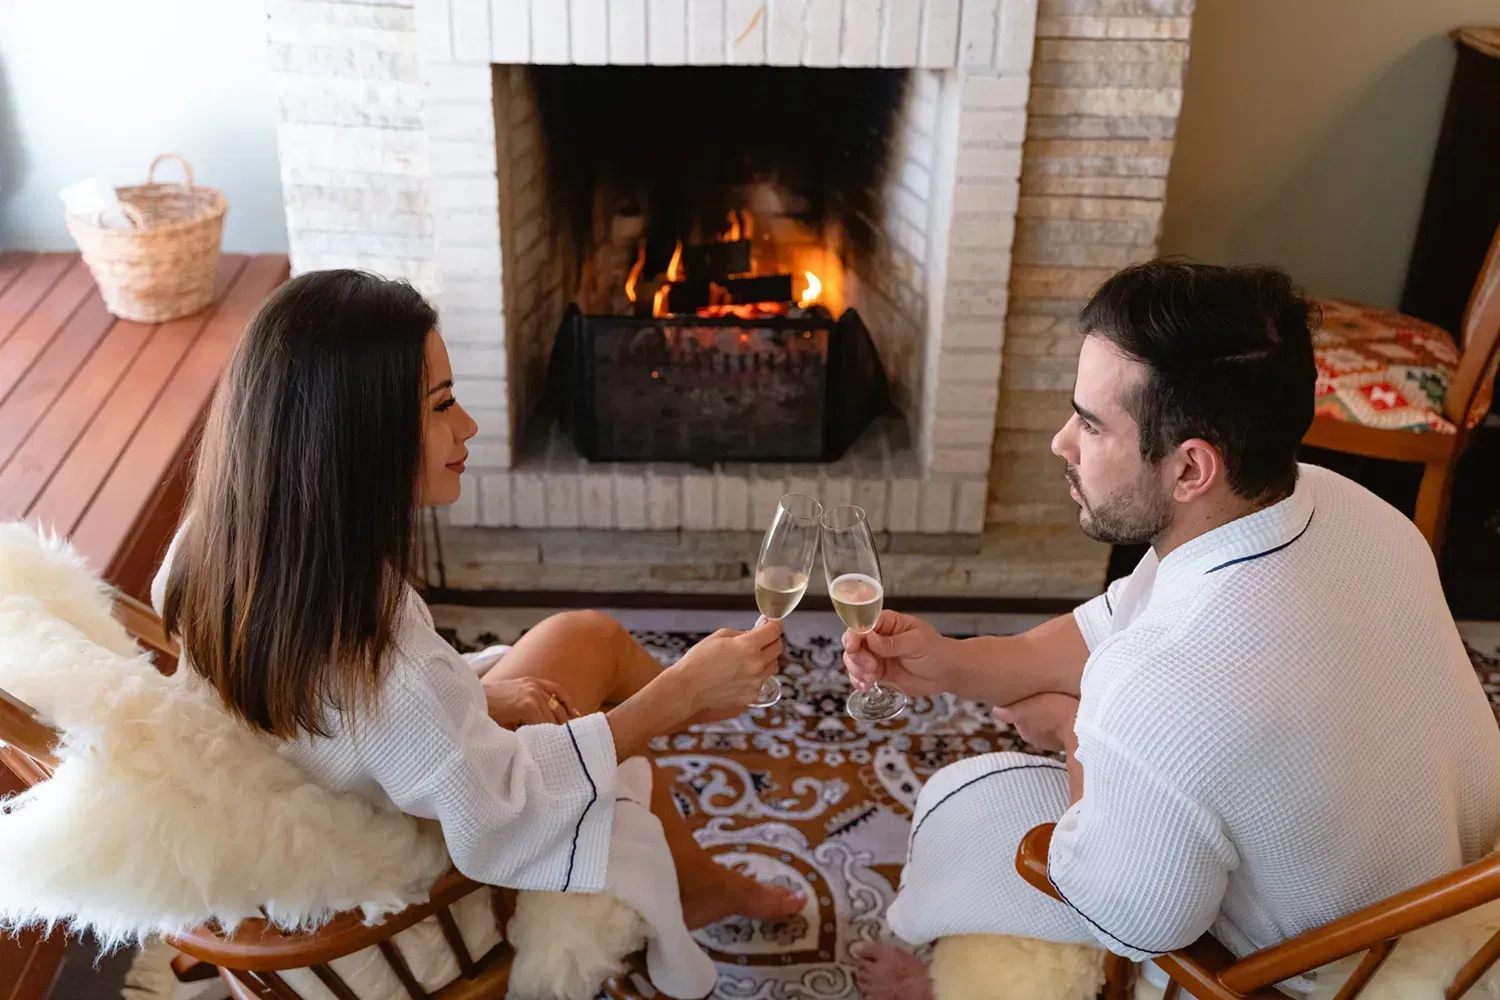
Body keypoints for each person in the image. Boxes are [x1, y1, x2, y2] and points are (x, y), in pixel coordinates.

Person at [846, 260, 1500, 998]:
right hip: (1449, 877)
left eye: (1091, 425)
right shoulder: (1343, 504)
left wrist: (1075, 728)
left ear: (1190, 469)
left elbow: (1134, 921)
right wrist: (958, 663)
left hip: (1332, 964)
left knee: (970, 806)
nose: (1063, 442)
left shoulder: (1160, 690)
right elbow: (1116, 619)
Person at [152, 270, 803, 992]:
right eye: (442, 405)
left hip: (362, 782)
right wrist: (673, 698)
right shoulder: (387, 669)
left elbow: (355, 732)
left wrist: (480, 703)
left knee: (586, 636)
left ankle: (709, 811)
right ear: (359, 435)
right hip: (416, 882)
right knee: (610, 702)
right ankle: (712, 754)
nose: (468, 427)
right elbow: (500, 816)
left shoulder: (210, 551)